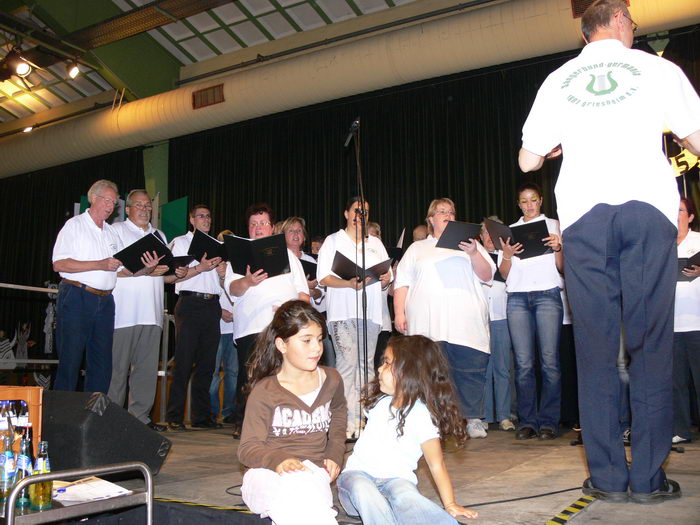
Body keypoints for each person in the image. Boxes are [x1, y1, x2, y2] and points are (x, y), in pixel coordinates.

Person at [519, 0, 700, 502]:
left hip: (584, 218)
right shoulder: (658, 68)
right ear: (620, 20)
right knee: (650, 345)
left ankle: (606, 479)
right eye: (633, 23)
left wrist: (556, 147)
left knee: (595, 349)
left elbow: (528, 158)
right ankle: (647, 480)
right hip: (647, 211)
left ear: (585, 33)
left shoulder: (559, 79)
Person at [337, 335, 478, 524]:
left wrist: (450, 504)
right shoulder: (378, 403)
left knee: (408, 497)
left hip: (397, 481)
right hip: (356, 478)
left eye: (387, 364)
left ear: (410, 373)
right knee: (365, 491)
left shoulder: (422, 416)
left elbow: (436, 465)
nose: (379, 368)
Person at [237, 300, 346, 525]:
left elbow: (338, 413)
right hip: (265, 475)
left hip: (313, 474)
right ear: (282, 344)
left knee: (303, 490)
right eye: (306, 340)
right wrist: (279, 460)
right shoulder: (265, 391)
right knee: (297, 496)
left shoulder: (332, 379)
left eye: (319, 339)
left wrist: (335, 452)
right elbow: (247, 449)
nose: (316, 347)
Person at [394, 198, 494, 439]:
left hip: (465, 321)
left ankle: (472, 418)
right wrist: (399, 312)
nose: (448, 215)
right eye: (442, 212)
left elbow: (487, 274)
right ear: (431, 219)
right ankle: (433, 420)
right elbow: (402, 282)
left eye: (451, 212)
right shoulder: (417, 248)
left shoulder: (471, 245)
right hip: (427, 322)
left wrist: (472, 252)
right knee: (430, 372)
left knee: (469, 370)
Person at [225, 203, 310, 438]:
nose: (258, 228)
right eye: (253, 224)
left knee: (282, 376)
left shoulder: (290, 256)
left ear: (272, 228)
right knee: (250, 378)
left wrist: (293, 313)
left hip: (283, 327)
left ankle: (281, 424)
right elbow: (232, 289)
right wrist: (248, 281)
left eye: (263, 223)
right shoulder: (239, 255)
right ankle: (245, 425)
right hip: (251, 327)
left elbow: (303, 293)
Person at [317, 197, 392, 439]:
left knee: (366, 365)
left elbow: (387, 275)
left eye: (366, 212)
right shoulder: (333, 241)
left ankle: (363, 421)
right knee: (347, 365)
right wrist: (348, 283)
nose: (361, 215)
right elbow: (324, 278)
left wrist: (385, 278)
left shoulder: (376, 243)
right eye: (357, 211)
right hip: (342, 313)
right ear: (347, 213)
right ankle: (345, 422)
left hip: (370, 314)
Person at [498, 182, 564, 441]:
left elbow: (562, 268)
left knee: (550, 362)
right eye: (524, 201)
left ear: (541, 201)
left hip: (547, 294)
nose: (529, 205)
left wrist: (559, 247)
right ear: (518, 204)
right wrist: (505, 254)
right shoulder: (510, 231)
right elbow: (505, 274)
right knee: (523, 364)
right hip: (517, 297)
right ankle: (528, 421)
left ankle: (549, 422)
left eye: (533, 200)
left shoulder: (554, 226)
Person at [108, 189, 173, 432]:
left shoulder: (159, 234)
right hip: (123, 312)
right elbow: (112, 267)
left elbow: (164, 274)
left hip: (152, 312)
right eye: (139, 205)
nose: (145, 209)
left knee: (146, 371)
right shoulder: (116, 230)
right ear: (127, 209)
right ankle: (111, 419)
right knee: (117, 369)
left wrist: (179, 271)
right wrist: (143, 270)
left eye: (148, 206)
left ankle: (140, 419)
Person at [52, 180, 125, 394]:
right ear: (93, 198)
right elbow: (60, 263)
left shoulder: (112, 233)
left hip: (106, 301)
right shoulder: (74, 225)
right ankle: (61, 418)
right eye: (107, 200)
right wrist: (100, 264)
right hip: (77, 296)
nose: (111, 206)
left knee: (102, 362)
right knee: (71, 359)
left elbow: (121, 269)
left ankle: (95, 418)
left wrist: (146, 269)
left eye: (114, 202)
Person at [165, 204, 226, 430]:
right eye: (201, 216)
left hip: (212, 305)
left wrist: (222, 274)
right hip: (190, 303)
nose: (206, 220)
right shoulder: (180, 242)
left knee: (207, 364)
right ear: (191, 219)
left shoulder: (219, 246)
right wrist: (200, 267)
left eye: (209, 216)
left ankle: (201, 417)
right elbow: (173, 277)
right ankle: (174, 416)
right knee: (183, 361)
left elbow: (223, 285)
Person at [479, 217, 516, 432]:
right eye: (485, 232)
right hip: (480, 320)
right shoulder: (472, 257)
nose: (489, 237)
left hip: (501, 317)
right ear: (480, 236)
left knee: (502, 368)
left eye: (492, 233)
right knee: (483, 369)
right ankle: (485, 415)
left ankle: (504, 415)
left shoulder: (508, 257)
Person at [672, 198, 700, 444]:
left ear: (690, 216)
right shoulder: (663, 244)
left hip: (697, 320)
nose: (676, 214)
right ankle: (680, 429)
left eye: (680, 210)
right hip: (670, 322)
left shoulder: (698, 240)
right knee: (675, 380)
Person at [209, 231, 238, 425]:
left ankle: (229, 412)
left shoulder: (238, 266)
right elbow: (208, 294)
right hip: (216, 327)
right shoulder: (211, 267)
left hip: (236, 327)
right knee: (212, 373)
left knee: (233, 373)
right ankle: (211, 413)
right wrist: (219, 312)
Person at [367, 221, 393, 371]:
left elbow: (389, 291)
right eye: (368, 235)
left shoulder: (383, 260)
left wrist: (390, 277)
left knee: (380, 366)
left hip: (382, 322)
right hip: (365, 320)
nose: (372, 238)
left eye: (375, 235)